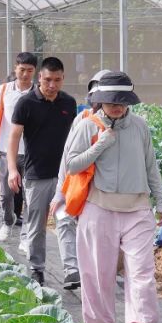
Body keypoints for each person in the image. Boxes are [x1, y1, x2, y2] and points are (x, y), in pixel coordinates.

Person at [62, 71, 162, 323]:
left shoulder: (140, 126)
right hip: (99, 207)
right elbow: (72, 165)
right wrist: (100, 144)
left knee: (142, 270)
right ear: (100, 101)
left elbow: (151, 165)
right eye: (111, 102)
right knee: (98, 272)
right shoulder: (87, 125)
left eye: (122, 101)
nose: (117, 107)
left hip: (138, 208)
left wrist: (160, 202)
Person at [7, 57, 76, 284]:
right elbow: (14, 138)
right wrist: (12, 170)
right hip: (36, 175)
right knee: (37, 226)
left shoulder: (69, 103)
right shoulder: (26, 103)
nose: (52, 85)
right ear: (40, 78)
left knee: (65, 220)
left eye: (57, 80)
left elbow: (75, 137)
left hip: (65, 175)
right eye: (48, 80)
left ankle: (71, 270)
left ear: (63, 78)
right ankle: (37, 267)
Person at [49, 69, 112, 290]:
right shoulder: (82, 120)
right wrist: (60, 192)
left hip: (105, 192)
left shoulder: (126, 123)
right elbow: (68, 158)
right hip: (79, 184)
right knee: (65, 219)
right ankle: (71, 270)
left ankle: (100, 270)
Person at [0, 52, 37, 243]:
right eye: (22, 69)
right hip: (6, 150)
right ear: (15, 68)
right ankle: (8, 220)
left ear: (35, 71)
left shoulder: (38, 92)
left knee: (30, 194)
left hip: (32, 151)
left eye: (29, 70)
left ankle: (26, 235)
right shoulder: (4, 90)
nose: (25, 74)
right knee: (6, 193)